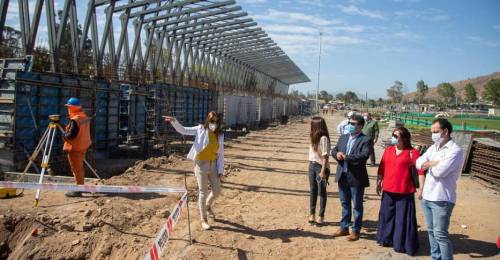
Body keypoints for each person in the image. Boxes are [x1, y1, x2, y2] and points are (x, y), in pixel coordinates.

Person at [164, 111, 224, 230]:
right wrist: (174, 121)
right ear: (208, 120)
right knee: (203, 192)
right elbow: (183, 130)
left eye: (216, 122)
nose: (214, 124)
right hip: (201, 165)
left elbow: (221, 153)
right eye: (212, 121)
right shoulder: (200, 129)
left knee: (217, 191)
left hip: (213, 166)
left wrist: (220, 169)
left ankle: (207, 205)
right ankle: (204, 219)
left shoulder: (220, 135)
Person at [416, 118, 464, 260]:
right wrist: (433, 163)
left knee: (440, 234)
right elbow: (418, 163)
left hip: (442, 198)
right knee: (431, 231)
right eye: (432, 131)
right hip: (427, 196)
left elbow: (439, 172)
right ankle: (435, 257)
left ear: (445, 131)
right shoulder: (433, 147)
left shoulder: (455, 150)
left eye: (436, 131)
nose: (433, 134)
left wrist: (428, 165)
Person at [376, 127, 425, 256]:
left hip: (405, 190)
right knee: (387, 216)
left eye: (396, 136)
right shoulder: (388, 150)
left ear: (404, 138)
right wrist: (379, 181)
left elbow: (420, 171)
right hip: (388, 189)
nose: (393, 137)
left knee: (402, 219)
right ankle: (386, 238)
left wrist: (421, 189)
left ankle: (401, 242)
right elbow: (382, 167)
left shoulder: (412, 152)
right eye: (393, 135)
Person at [331, 114, 373, 241]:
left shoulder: (366, 140)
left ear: (360, 126)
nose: (350, 125)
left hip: (356, 177)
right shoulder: (343, 137)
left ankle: (356, 230)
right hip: (342, 175)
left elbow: (364, 156)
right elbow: (334, 150)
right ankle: (344, 227)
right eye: (350, 123)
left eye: (353, 124)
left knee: (357, 205)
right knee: (344, 203)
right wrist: (337, 154)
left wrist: (346, 157)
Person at [63, 97, 92, 197]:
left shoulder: (75, 119)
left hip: (75, 148)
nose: (68, 109)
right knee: (79, 168)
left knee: (76, 169)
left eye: (68, 107)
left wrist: (64, 135)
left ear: (72, 108)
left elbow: (72, 135)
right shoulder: (83, 116)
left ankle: (78, 189)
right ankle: (81, 186)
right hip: (83, 145)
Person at [308, 117, 331, 226]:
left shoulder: (323, 138)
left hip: (320, 167)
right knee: (313, 190)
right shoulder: (313, 137)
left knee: (321, 191)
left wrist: (322, 171)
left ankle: (321, 215)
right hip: (311, 165)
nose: (311, 126)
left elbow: (325, 156)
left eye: (312, 125)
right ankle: (312, 213)